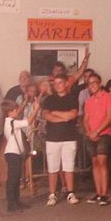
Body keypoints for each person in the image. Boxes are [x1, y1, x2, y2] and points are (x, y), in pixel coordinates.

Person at [39, 74, 82, 206]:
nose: (57, 85)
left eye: (60, 83)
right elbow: (46, 115)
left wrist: (56, 113)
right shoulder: (49, 99)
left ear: (66, 84)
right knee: (53, 168)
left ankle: (70, 192)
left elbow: (73, 114)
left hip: (69, 137)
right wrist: (64, 117)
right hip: (52, 138)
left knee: (69, 166)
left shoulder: (72, 98)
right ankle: (52, 194)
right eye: (55, 83)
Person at [80, 72, 111, 206]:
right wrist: (89, 132)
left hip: (104, 133)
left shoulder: (107, 97)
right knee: (94, 163)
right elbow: (85, 119)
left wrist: (97, 131)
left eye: (94, 82)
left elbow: (109, 117)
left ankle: (105, 194)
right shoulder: (88, 101)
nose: (92, 86)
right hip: (91, 135)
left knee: (102, 162)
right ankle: (98, 192)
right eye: (89, 84)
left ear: (100, 83)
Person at [0, 100, 29, 212]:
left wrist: (24, 102)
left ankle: (16, 201)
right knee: (13, 178)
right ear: (10, 112)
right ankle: (11, 203)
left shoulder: (9, 121)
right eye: (15, 110)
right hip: (13, 153)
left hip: (13, 153)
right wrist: (35, 109)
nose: (18, 111)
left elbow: (18, 112)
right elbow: (28, 121)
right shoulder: (13, 122)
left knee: (16, 178)